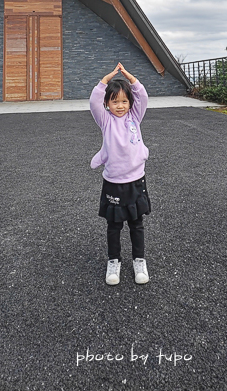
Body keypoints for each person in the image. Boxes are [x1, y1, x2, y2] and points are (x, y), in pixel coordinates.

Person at [90, 62, 151, 286]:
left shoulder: (135, 118)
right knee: (114, 225)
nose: (120, 105)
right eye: (114, 101)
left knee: (136, 223)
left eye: (124, 101)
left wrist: (130, 78)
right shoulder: (105, 121)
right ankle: (113, 261)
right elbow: (93, 102)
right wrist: (105, 80)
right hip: (113, 182)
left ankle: (139, 261)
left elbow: (142, 96)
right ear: (107, 103)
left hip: (136, 181)